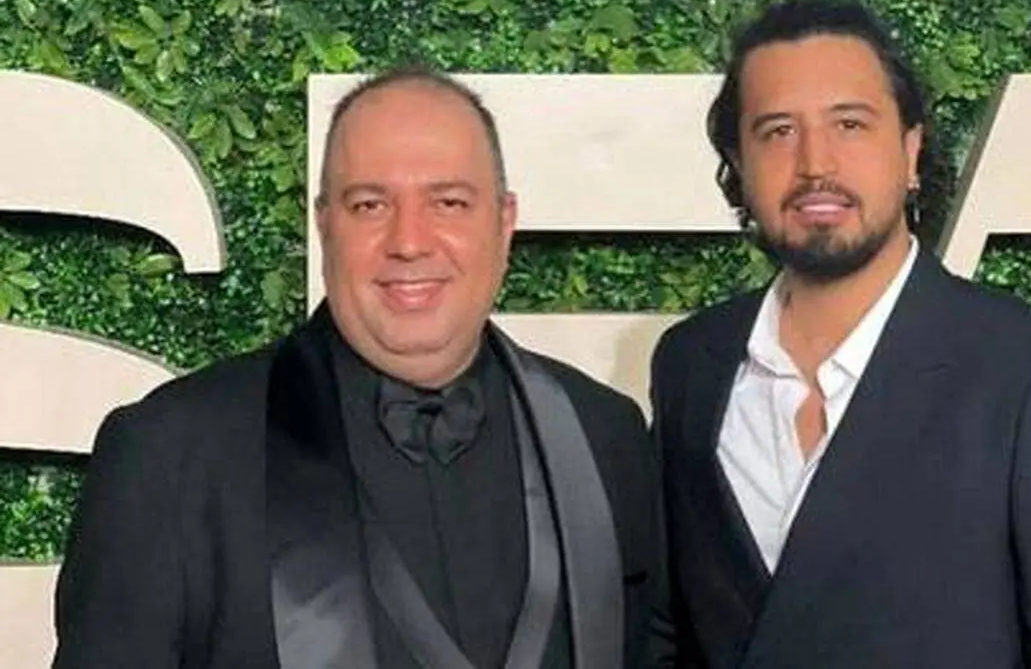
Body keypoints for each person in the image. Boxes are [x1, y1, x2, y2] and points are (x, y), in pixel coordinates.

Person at [54, 67, 668, 669]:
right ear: (324, 224)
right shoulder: (171, 453)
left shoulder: (606, 436)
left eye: (449, 202)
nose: (410, 241)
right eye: (370, 204)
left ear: (504, 223)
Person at [650, 0, 1031, 668]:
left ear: (911, 150)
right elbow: (664, 635)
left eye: (850, 124)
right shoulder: (691, 364)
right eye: (777, 131)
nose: (815, 164)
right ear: (737, 164)